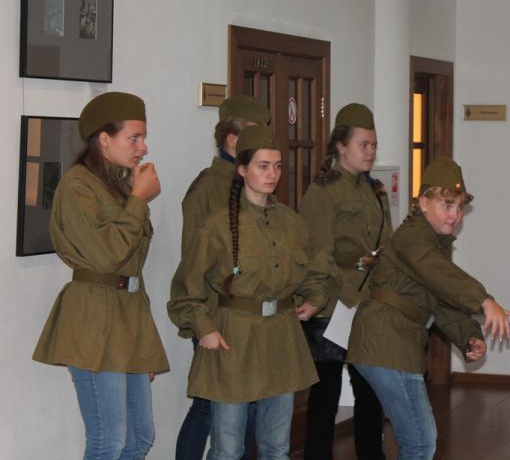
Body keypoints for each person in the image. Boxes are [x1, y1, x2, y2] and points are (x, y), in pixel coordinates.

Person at [168, 125, 328, 460]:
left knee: (276, 448)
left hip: (281, 340)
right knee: (228, 449)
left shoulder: (291, 221)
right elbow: (185, 290)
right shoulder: (217, 224)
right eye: (262, 166)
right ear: (241, 169)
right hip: (234, 340)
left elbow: (313, 270)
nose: (272, 174)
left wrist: (314, 298)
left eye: (277, 166)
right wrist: (204, 327)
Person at [347, 156, 510, 460]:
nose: (454, 215)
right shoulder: (413, 237)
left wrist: (467, 335)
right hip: (386, 344)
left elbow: (436, 299)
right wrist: (483, 300)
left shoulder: (427, 240)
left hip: (391, 344)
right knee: (420, 442)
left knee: (419, 441)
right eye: (446, 205)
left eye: (459, 207)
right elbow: (439, 274)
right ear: (423, 203)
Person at [33, 92, 169, 460]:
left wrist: (144, 344)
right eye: (134, 137)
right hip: (93, 317)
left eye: (143, 137)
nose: (143, 147)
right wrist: (138, 199)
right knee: (108, 441)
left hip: (129, 315)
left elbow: (131, 266)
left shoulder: (120, 185)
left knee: (139, 438)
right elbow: (108, 257)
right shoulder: (78, 185)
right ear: (104, 139)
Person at [175, 94, 270, 460]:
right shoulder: (207, 188)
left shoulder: (257, 183)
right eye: (255, 133)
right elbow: (193, 263)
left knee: (250, 405)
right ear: (233, 140)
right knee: (208, 405)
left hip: (251, 316)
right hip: (216, 315)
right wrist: (204, 324)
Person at [299, 103, 392, 460]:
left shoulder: (375, 190)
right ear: (340, 146)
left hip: (368, 302)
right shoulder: (323, 191)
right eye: (362, 144)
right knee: (326, 395)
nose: (370, 152)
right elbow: (318, 255)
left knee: (370, 391)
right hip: (332, 303)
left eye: (373, 145)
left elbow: (384, 248)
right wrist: (351, 296)